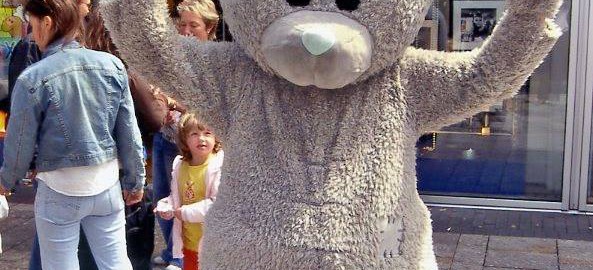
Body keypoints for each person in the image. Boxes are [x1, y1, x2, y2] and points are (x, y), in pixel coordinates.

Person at [0, 0, 145, 269]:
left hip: (59, 187)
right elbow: (128, 131)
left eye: (31, 23)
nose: (31, 32)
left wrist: (5, 181)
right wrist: (135, 181)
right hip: (106, 183)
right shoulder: (111, 65)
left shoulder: (32, 78)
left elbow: (19, 143)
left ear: (47, 23)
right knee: (115, 263)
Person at [155, 112, 223, 270]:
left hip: (213, 244)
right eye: (194, 134)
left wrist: (184, 213)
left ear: (216, 137)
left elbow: (217, 204)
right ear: (185, 139)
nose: (201, 138)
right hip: (189, 242)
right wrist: (166, 205)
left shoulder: (218, 167)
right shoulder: (180, 166)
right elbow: (177, 196)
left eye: (207, 133)